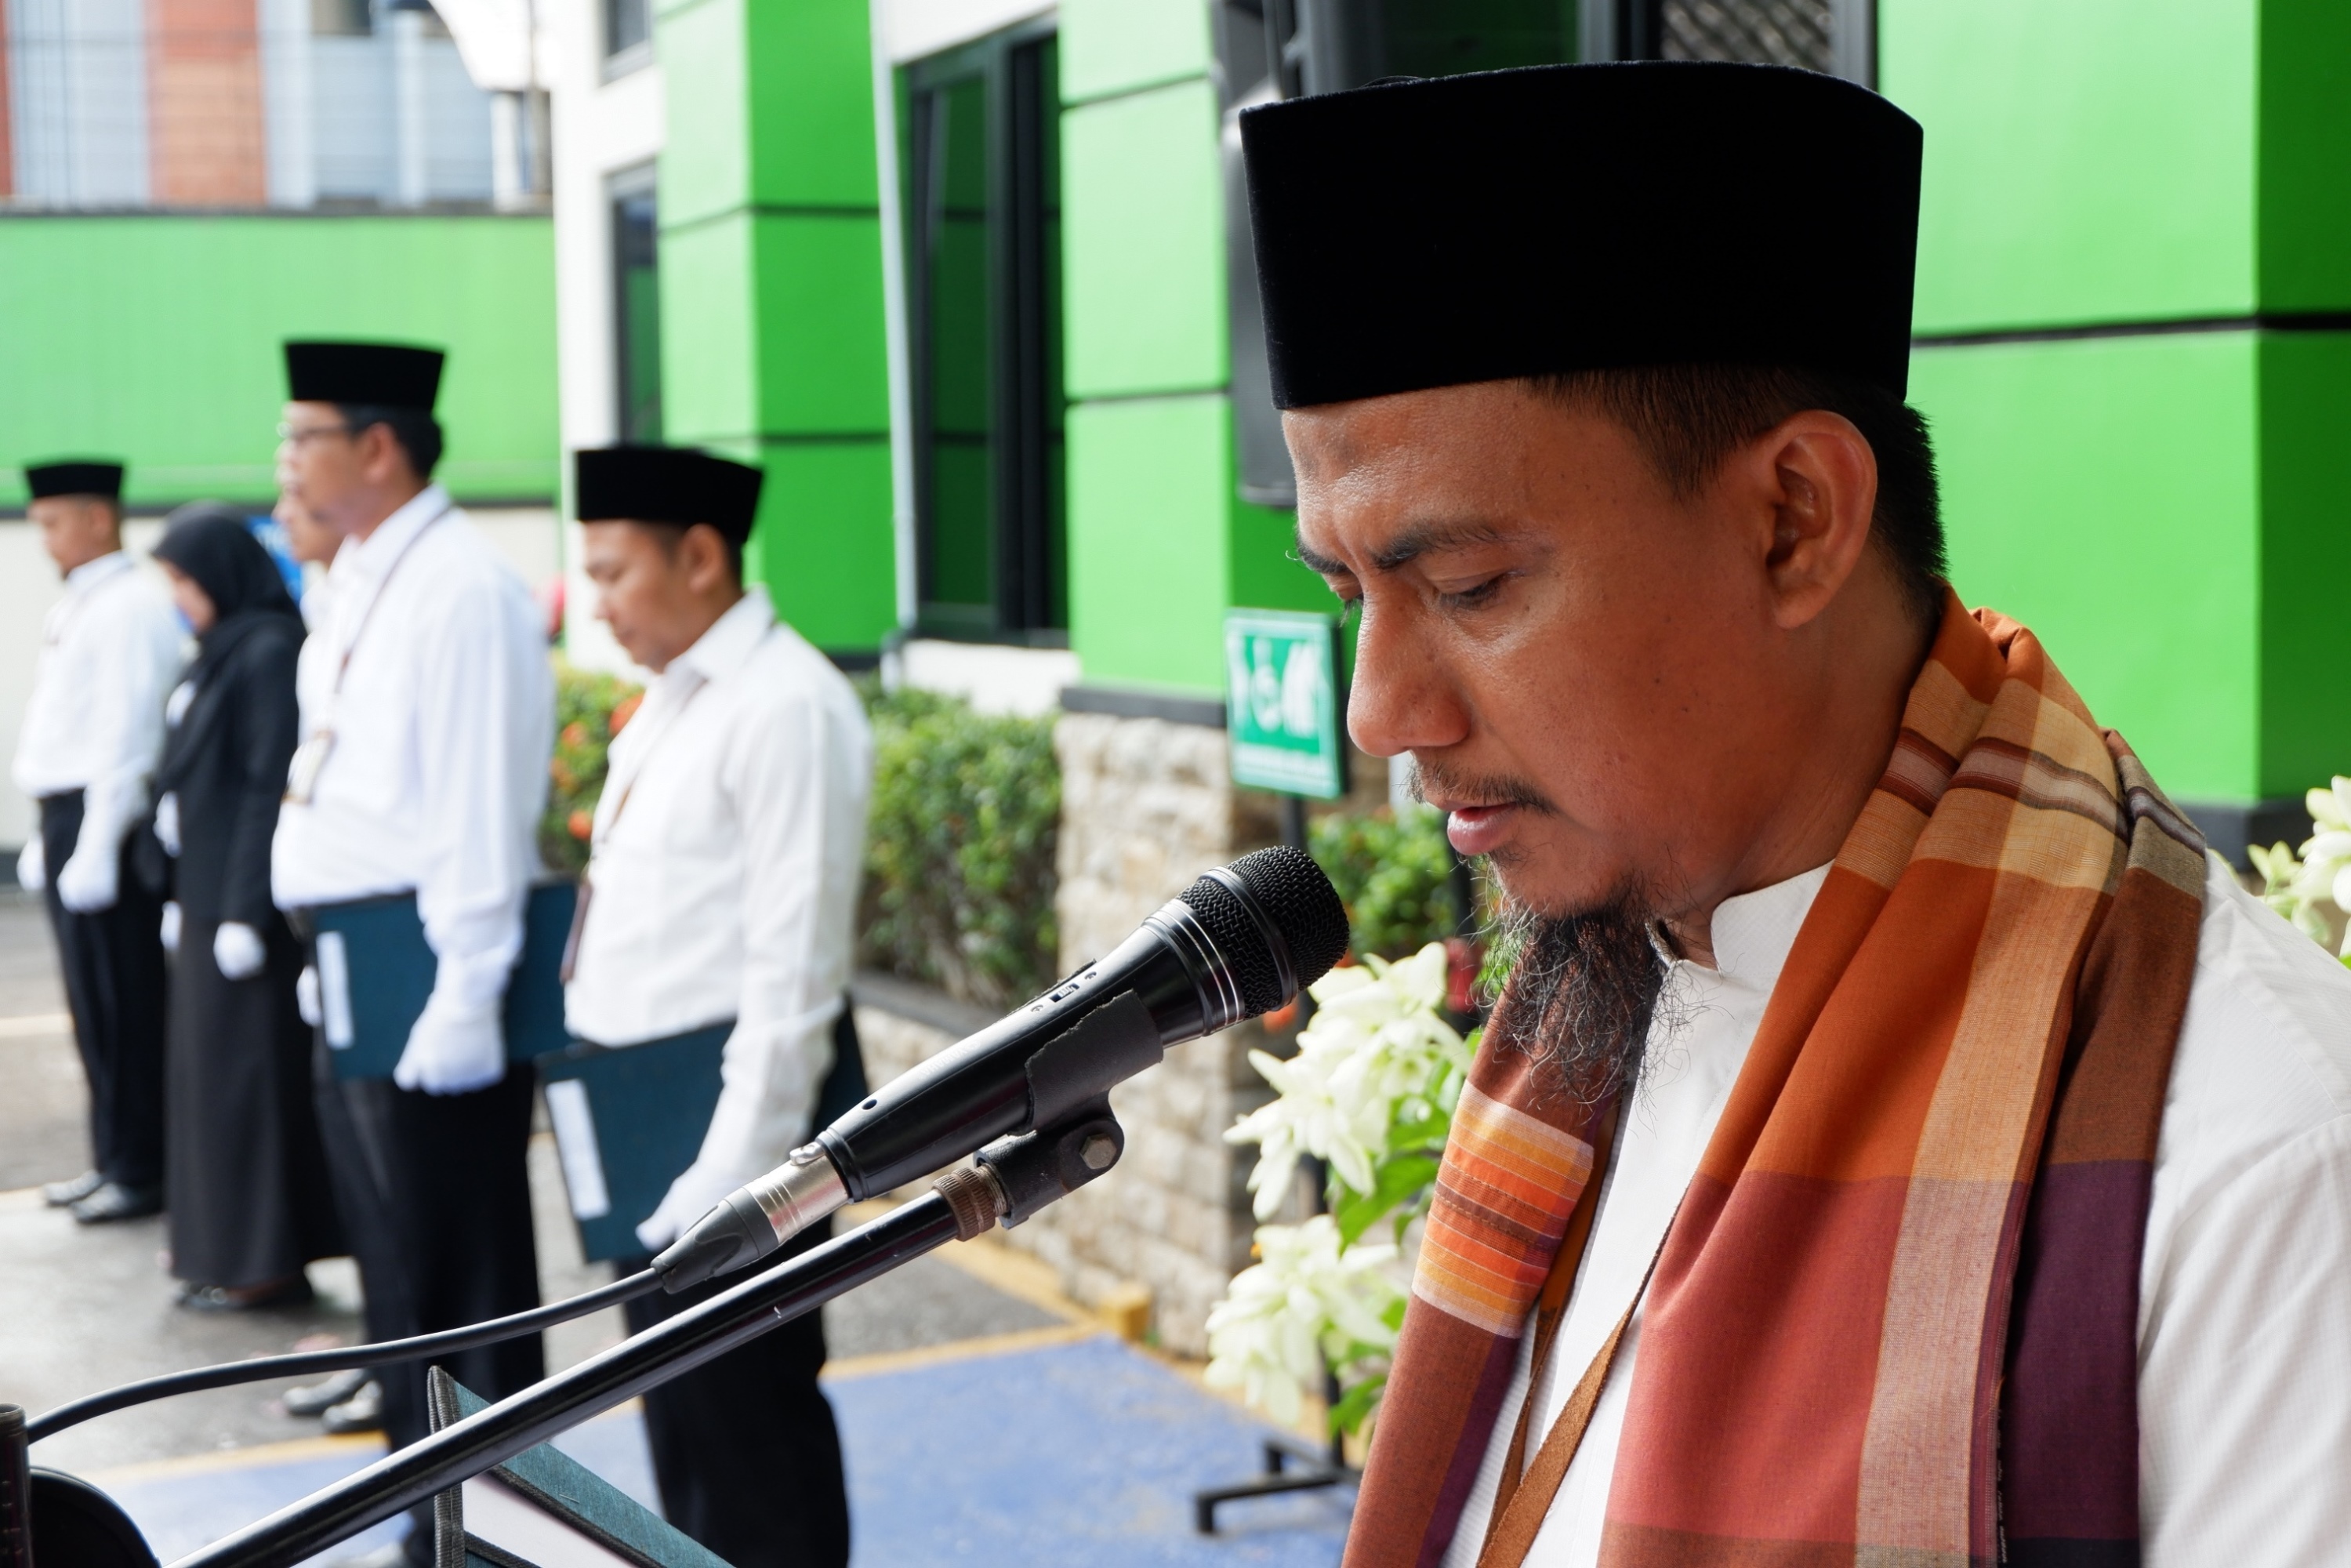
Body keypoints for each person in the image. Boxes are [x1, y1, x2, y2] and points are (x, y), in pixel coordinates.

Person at [1239, 64, 2351, 1568]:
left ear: (1791, 523)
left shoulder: (2262, 1163)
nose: (1377, 712)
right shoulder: (1589, 1016)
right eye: (1344, 590)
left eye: (1467, 586)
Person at [564, 445, 868, 1568]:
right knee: (686, 1431)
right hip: (650, 1112)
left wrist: (741, 1182)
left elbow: (795, 972)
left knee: (752, 1444)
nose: (597, 606)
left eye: (612, 574)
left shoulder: (786, 705)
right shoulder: (677, 697)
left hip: (727, 1132)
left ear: (698, 556)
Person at [267, 342, 554, 1503]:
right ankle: (420, 1516)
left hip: (431, 977)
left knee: (461, 1287)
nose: (283, 460)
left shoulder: (459, 588)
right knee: (396, 1281)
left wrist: (467, 988)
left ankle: (493, 1532)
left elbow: (478, 807)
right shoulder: (357, 579)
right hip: (361, 967)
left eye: (302, 437)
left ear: (377, 447)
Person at [147, 505, 343, 1309]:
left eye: (185, 581)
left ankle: (266, 1261)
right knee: (206, 1086)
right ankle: (221, 1251)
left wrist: (240, 910)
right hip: (201, 896)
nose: (179, 598)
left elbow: (265, 784)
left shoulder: (265, 648)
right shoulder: (219, 650)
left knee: (247, 1089)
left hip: (240, 908)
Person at [12, 459, 184, 1224]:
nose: (44, 538)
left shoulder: (129, 606)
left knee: (125, 1002)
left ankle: (142, 1165)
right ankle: (112, 1154)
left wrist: (98, 838)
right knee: (92, 1004)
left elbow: (128, 731)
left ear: (97, 518)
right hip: (68, 815)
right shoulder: (83, 603)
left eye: (54, 522)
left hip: (103, 818)